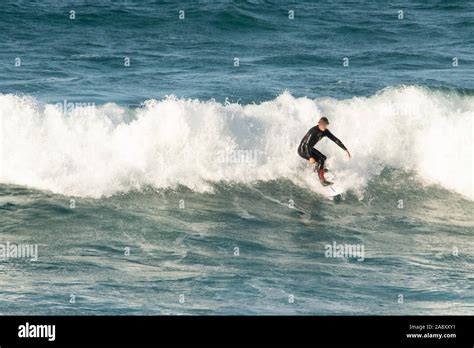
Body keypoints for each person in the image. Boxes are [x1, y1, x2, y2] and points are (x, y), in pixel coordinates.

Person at [297, 117, 351, 185]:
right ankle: (322, 181)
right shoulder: (313, 131)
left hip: (309, 149)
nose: (325, 127)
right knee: (321, 160)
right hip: (303, 150)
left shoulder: (325, 131)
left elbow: (335, 139)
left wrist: (345, 150)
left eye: (326, 125)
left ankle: (318, 170)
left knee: (323, 158)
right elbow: (306, 145)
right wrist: (310, 157)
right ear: (319, 124)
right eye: (324, 125)